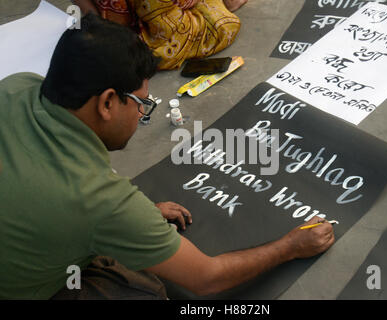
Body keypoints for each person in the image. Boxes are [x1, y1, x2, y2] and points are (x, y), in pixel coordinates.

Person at [0, 14, 334, 300]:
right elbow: (207, 277)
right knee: (143, 290)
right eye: (142, 103)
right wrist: (291, 246)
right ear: (107, 103)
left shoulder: (16, 86)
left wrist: (132, 220)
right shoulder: (97, 199)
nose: (141, 117)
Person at [72, 0, 247, 70]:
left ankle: (114, 31)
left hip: (114, 19)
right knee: (224, 26)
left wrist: (99, 21)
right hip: (153, 23)